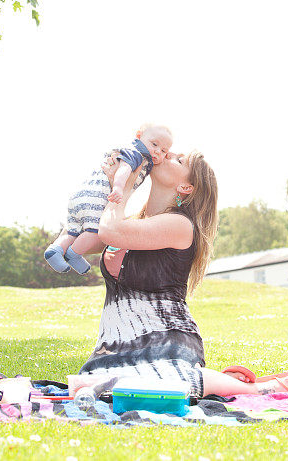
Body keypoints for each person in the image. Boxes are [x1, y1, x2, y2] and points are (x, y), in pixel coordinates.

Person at [77, 150, 269, 398]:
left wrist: (122, 187)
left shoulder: (180, 225)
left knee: (150, 387)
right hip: (115, 347)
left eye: (179, 161)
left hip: (166, 343)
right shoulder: (134, 222)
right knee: (92, 388)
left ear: (186, 187)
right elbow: (84, 239)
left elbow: (110, 230)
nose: (167, 154)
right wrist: (114, 180)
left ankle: (249, 388)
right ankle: (216, 382)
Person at [43, 124, 173, 275]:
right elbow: (124, 169)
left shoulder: (131, 152)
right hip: (96, 197)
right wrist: (118, 187)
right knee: (94, 230)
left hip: (82, 196)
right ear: (139, 136)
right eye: (154, 144)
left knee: (73, 230)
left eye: (164, 151)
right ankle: (73, 254)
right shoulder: (136, 154)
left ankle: (55, 249)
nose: (157, 151)